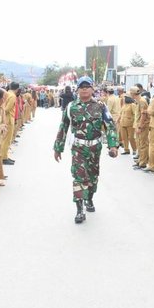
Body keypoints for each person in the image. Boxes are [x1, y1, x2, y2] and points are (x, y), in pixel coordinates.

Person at [53, 76, 119, 224]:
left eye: (87, 86)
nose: (84, 89)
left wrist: (113, 145)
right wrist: (58, 147)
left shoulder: (101, 106)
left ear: (92, 89)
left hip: (95, 147)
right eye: (81, 86)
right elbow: (63, 127)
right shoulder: (71, 107)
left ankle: (89, 199)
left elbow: (110, 126)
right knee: (79, 177)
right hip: (78, 148)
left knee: (93, 177)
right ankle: (79, 209)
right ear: (77, 89)